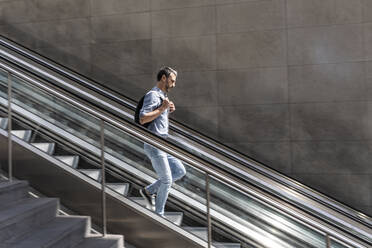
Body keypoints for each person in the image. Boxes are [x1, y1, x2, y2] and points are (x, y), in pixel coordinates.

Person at [139, 66, 186, 216]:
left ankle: (149, 191)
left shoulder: (161, 96)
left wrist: (166, 109)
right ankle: (159, 215)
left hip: (163, 144)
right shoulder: (153, 95)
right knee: (166, 181)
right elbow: (143, 118)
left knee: (179, 171)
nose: (174, 84)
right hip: (154, 143)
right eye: (172, 80)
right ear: (164, 78)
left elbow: (157, 117)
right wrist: (162, 108)